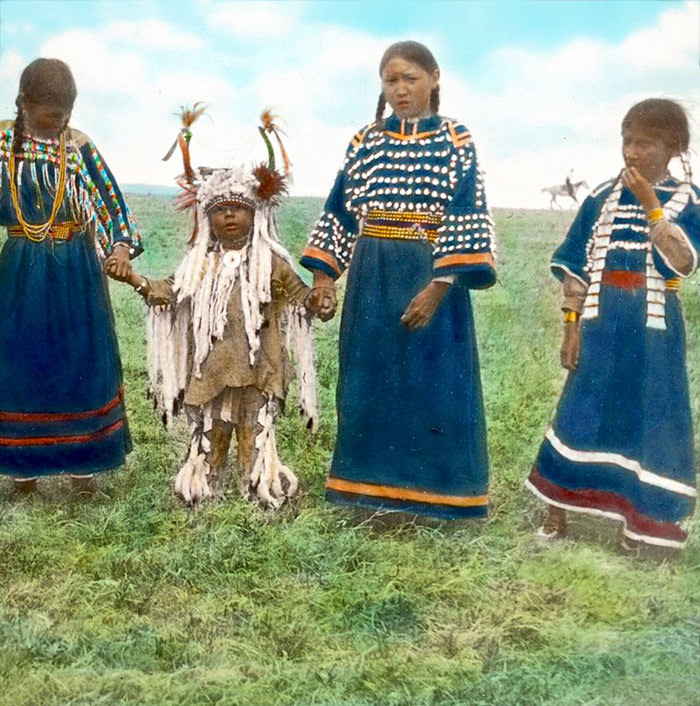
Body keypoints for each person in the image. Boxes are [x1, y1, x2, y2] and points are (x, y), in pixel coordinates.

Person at [302, 40, 497, 520]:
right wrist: (325, 279)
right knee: (368, 379)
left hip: (433, 276)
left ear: (434, 78)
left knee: (434, 383)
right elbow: (341, 212)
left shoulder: (456, 139)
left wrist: (437, 287)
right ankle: (366, 492)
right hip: (371, 275)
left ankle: (441, 497)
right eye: (391, 80)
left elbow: (466, 212)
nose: (400, 89)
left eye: (411, 78)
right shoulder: (365, 141)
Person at [527, 98, 699, 550]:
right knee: (580, 411)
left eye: (645, 143)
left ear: (673, 146)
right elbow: (573, 263)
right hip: (601, 325)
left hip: (654, 330)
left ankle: (638, 522)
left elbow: (682, 262)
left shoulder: (689, 200)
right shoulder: (601, 197)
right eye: (628, 142)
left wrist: (651, 207)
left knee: (649, 417)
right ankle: (557, 510)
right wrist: (571, 325)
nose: (633, 153)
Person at [123, 163, 317, 509]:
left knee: (254, 435)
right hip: (211, 371)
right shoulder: (199, 263)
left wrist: (320, 299)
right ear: (207, 218)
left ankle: (259, 493)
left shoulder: (271, 262)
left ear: (255, 215)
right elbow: (167, 290)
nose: (229, 216)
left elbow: (301, 296)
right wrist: (136, 280)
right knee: (210, 436)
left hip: (259, 371)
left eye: (239, 209)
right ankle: (202, 491)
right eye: (220, 211)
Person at [0, 58, 141, 494]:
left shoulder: (78, 147)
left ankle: (85, 470)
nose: (58, 123)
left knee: (82, 360)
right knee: (19, 363)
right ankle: (23, 471)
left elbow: (113, 206)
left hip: (78, 272)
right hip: (21, 272)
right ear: (23, 103)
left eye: (64, 116)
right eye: (48, 116)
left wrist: (119, 248)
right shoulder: (3, 144)